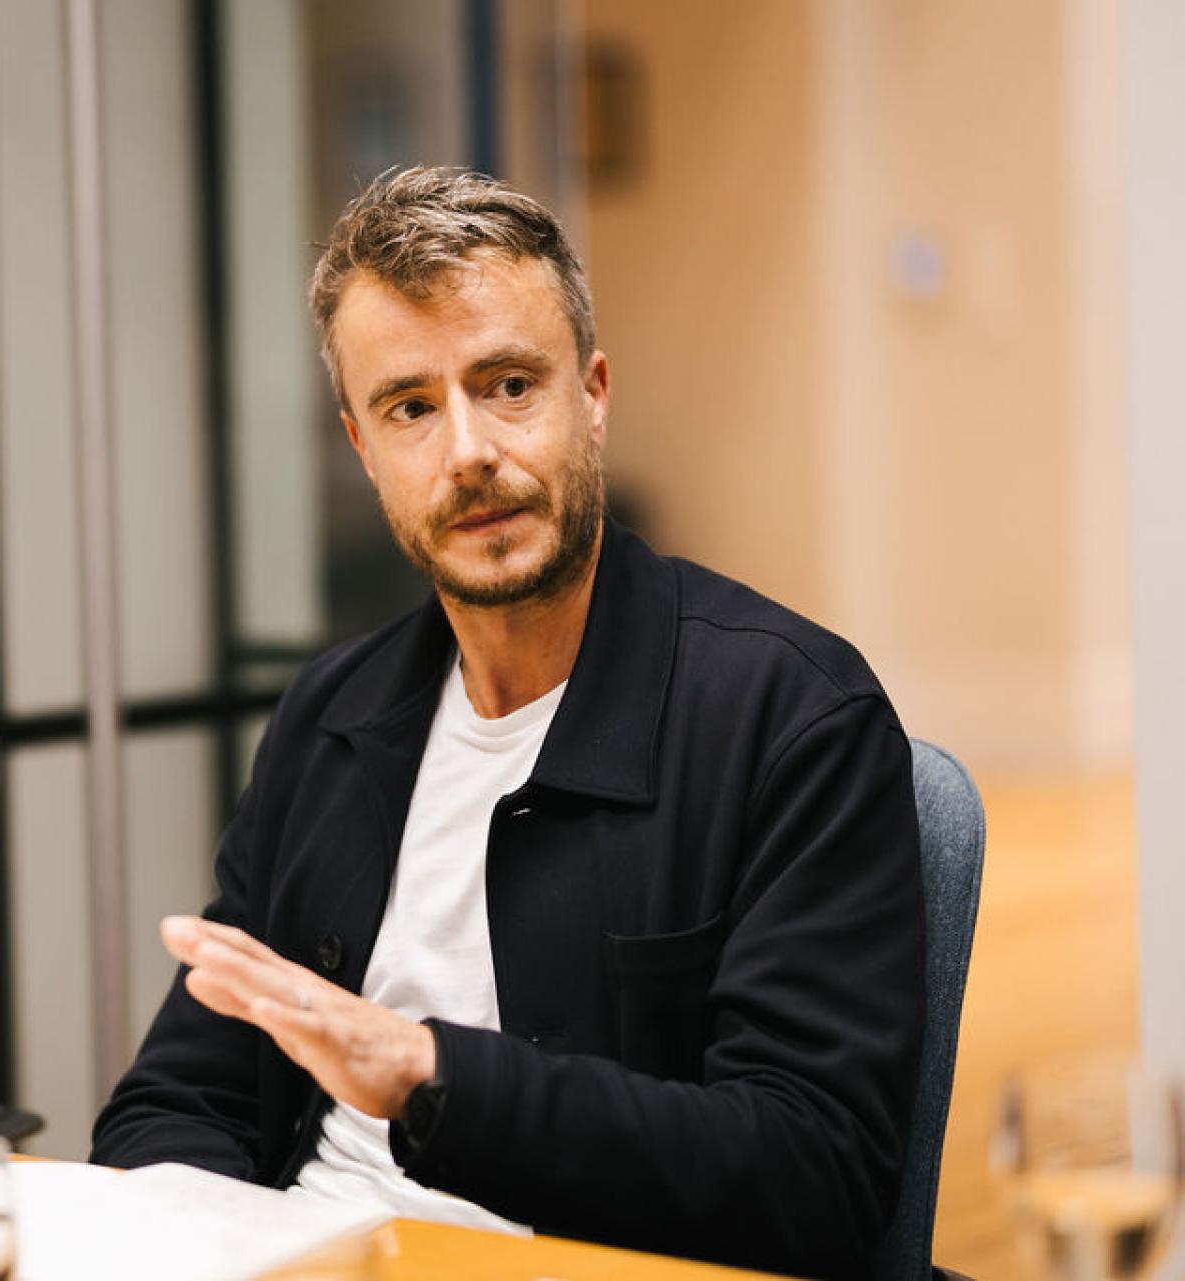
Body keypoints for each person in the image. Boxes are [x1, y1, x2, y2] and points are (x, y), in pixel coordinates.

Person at [91, 167, 924, 1278]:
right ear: (362, 447)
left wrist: (426, 1076)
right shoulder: (330, 719)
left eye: (509, 384)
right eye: (411, 409)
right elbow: (176, 1100)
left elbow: (812, 1173)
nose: (468, 451)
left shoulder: (792, 716)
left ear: (594, 393)